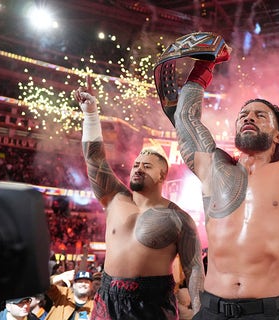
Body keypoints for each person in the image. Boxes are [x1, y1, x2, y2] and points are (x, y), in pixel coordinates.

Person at [161, 28, 279, 319]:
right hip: (212, 309)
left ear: (278, 135)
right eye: (244, 115)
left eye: (260, 115)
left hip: (271, 312)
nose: (249, 117)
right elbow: (185, 118)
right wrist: (203, 66)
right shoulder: (215, 169)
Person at [73, 78, 204, 319]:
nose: (138, 169)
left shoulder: (179, 219)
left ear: (162, 174)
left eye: (147, 166)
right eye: (136, 165)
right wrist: (91, 115)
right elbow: (94, 159)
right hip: (107, 298)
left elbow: (194, 269)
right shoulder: (114, 198)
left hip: (151, 304)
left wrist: (200, 313)